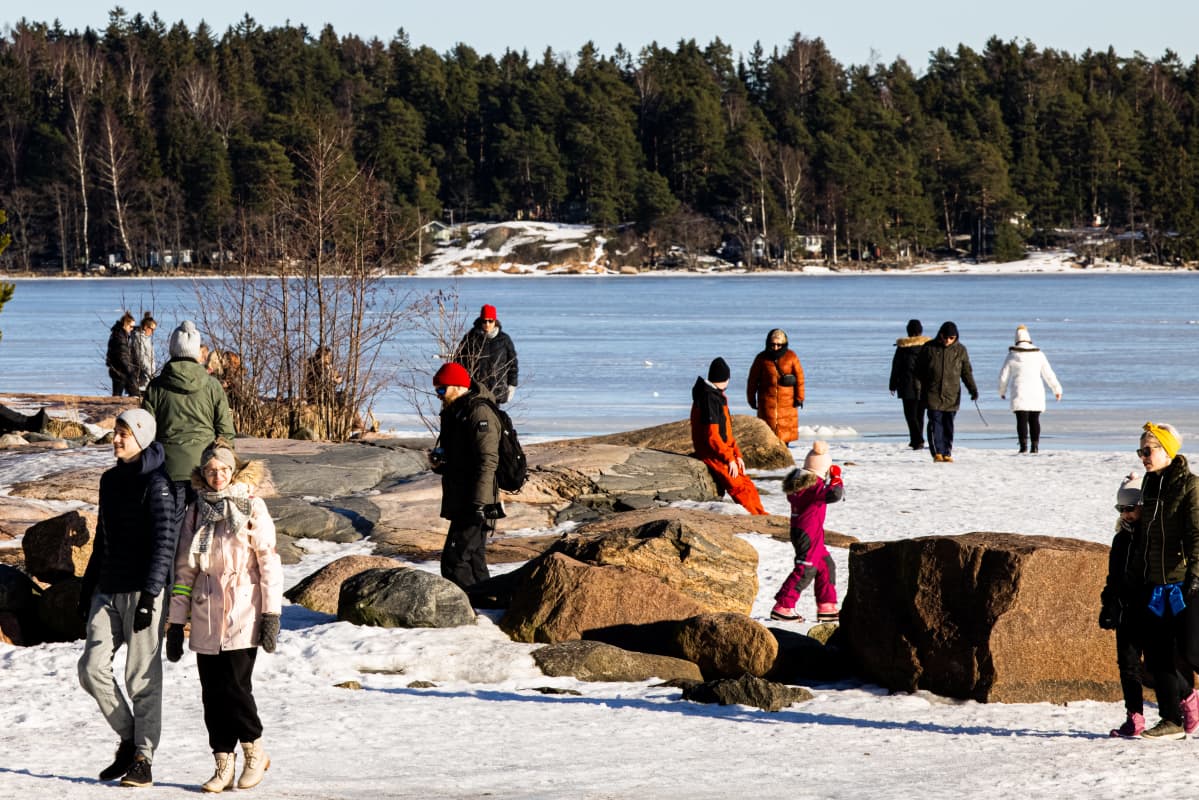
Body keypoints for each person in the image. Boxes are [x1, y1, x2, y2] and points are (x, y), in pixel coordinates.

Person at [166, 439, 282, 792]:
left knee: (234, 688)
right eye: (211, 470)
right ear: (202, 474)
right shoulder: (196, 511)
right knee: (212, 693)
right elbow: (185, 570)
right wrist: (175, 621)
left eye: (224, 470)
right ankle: (222, 764)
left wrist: (271, 614)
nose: (218, 476)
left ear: (234, 471)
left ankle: (254, 751)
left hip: (244, 612)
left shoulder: (251, 506)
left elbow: (268, 562)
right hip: (205, 613)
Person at [77, 409, 178, 787]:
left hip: (142, 589)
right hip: (109, 586)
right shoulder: (109, 480)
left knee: (141, 678)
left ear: (142, 437)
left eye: (124, 433)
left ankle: (143, 757)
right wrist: (88, 588)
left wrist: (153, 595)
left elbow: (164, 543)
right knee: (90, 668)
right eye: (115, 432)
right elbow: (103, 538)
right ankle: (129, 738)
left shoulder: (158, 483)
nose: (115, 439)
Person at [142, 320, 236, 529]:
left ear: (172, 349)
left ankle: (170, 562)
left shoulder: (156, 387)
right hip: (205, 470)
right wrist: (223, 465)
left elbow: (145, 433)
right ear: (196, 352)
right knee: (204, 530)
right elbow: (226, 432)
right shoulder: (213, 386)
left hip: (167, 469)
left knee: (169, 532)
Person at [430, 361, 504, 590]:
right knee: (474, 561)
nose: (439, 395)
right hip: (464, 498)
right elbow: (462, 458)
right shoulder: (456, 411)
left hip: (477, 501)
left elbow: (488, 460)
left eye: (441, 389)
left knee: (454, 562)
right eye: (436, 390)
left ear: (457, 386)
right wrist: (440, 463)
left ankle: (469, 611)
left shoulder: (479, 412)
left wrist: (479, 504)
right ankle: (490, 609)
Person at [1100, 472, 1150, 737]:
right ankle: (1135, 717)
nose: (1126, 514)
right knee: (1127, 663)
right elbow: (1113, 577)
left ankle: (1186, 702)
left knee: (1156, 665)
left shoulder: (1153, 537)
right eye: (1121, 509)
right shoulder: (1120, 540)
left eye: (1130, 508)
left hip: (1152, 609)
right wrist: (1108, 604)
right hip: (1125, 610)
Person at [771, 441, 843, 623]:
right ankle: (783, 606)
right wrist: (836, 478)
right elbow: (834, 494)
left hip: (807, 531)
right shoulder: (813, 485)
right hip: (808, 532)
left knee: (826, 565)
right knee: (806, 568)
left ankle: (827, 606)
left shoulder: (800, 482)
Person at [690, 357, 767, 515]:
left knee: (746, 482)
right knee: (737, 485)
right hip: (711, 451)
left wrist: (736, 455)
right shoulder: (708, 398)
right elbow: (712, 436)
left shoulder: (716, 395)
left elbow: (726, 433)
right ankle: (754, 518)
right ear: (726, 379)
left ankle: (760, 514)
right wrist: (728, 458)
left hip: (722, 449)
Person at [915, 321, 978, 463]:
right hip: (932, 393)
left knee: (948, 424)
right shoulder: (929, 347)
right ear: (940, 335)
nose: (948, 341)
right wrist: (920, 388)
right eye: (946, 337)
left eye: (952, 338)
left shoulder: (960, 350)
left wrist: (973, 389)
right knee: (935, 423)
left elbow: (966, 372)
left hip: (952, 394)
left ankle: (947, 452)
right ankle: (937, 452)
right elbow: (918, 371)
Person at [997, 325, 1062, 453]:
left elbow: (1003, 376)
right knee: (1034, 419)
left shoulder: (1012, 355)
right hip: (1036, 391)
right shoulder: (1039, 354)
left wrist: (1002, 391)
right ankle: (1035, 446)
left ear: (1016, 339)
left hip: (1019, 391)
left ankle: (1023, 446)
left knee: (1021, 419)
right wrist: (1057, 390)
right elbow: (1048, 374)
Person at [745, 329, 805, 444]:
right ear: (768, 343)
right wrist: (751, 399)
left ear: (784, 344)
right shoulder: (761, 358)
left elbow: (800, 378)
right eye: (773, 344)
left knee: (784, 438)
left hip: (788, 404)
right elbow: (752, 380)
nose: (776, 347)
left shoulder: (791, 356)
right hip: (767, 403)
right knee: (768, 436)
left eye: (779, 345)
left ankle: (784, 457)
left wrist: (800, 397)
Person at [453, 304, 518, 404]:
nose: (487, 324)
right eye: (484, 321)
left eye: (490, 321)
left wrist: (511, 386)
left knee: (494, 418)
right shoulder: (471, 338)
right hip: (474, 391)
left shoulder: (504, 340)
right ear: (481, 321)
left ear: (495, 321)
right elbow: (459, 361)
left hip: (496, 391)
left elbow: (512, 365)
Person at [889, 319, 929, 450]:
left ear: (908, 332)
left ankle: (917, 439)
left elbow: (896, 367)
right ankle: (916, 440)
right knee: (919, 415)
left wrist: (892, 384)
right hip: (924, 385)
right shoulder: (927, 347)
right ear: (920, 331)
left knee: (910, 415)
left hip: (907, 385)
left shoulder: (902, 349)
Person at [106, 311, 138, 397]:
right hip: (120, 371)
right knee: (119, 396)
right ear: (125, 325)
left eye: (133, 327)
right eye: (131, 327)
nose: (132, 329)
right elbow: (122, 356)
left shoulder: (121, 334)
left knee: (130, 394)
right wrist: (131, 371)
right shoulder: (119, 336)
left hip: (121, 370)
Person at [131, 312, 157, 394]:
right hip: (142, 377)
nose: (153, 332)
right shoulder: (137, 338)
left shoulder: (146, 338)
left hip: (148, 376)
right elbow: (140, 357)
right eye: (152, 329)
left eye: (154, 330)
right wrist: (149, 370)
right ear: (145, 327)